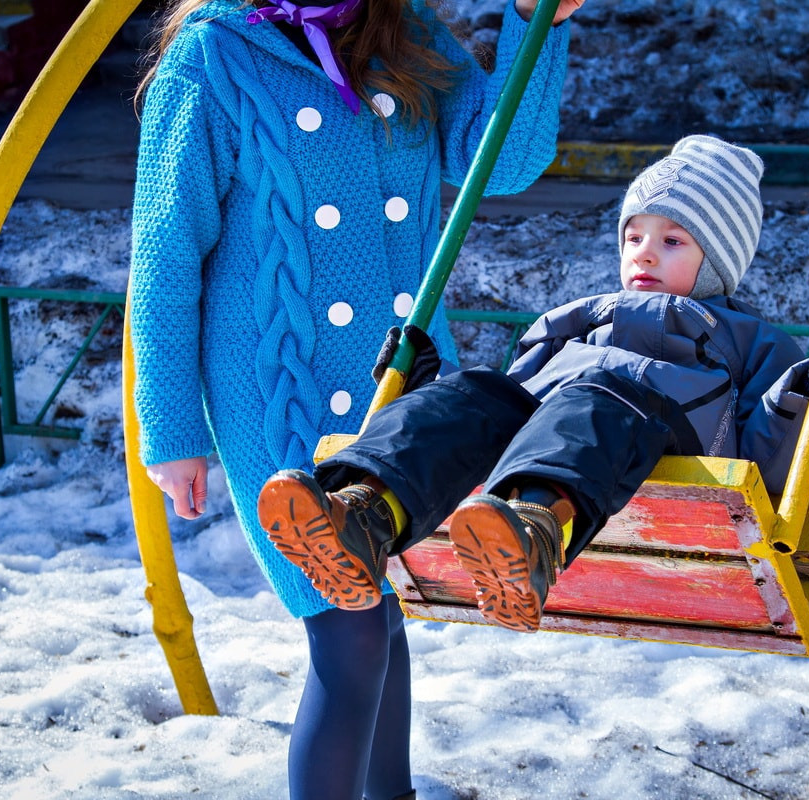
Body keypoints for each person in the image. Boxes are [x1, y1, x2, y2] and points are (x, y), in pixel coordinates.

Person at [128, 1, 585, 798]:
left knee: (377, 612)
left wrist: (534, 23)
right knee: (351, 630)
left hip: (398, 391)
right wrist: (169, 428)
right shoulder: (214, 57)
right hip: (276, 392)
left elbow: (501, 159)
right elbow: (164, 253)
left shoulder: (401, 29)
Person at [257, 134, 809, 634]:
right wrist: (426, 386)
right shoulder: (577, 319)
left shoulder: (749, 338)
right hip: (566, 424)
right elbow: (507, 413)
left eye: (672, 241)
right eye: (633, 236)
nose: (644, 254)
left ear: (717, 260)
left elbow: (774, 458)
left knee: (592, 400)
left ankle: (533, 533)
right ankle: (363, 517)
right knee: (476, 392)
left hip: (661, 434)